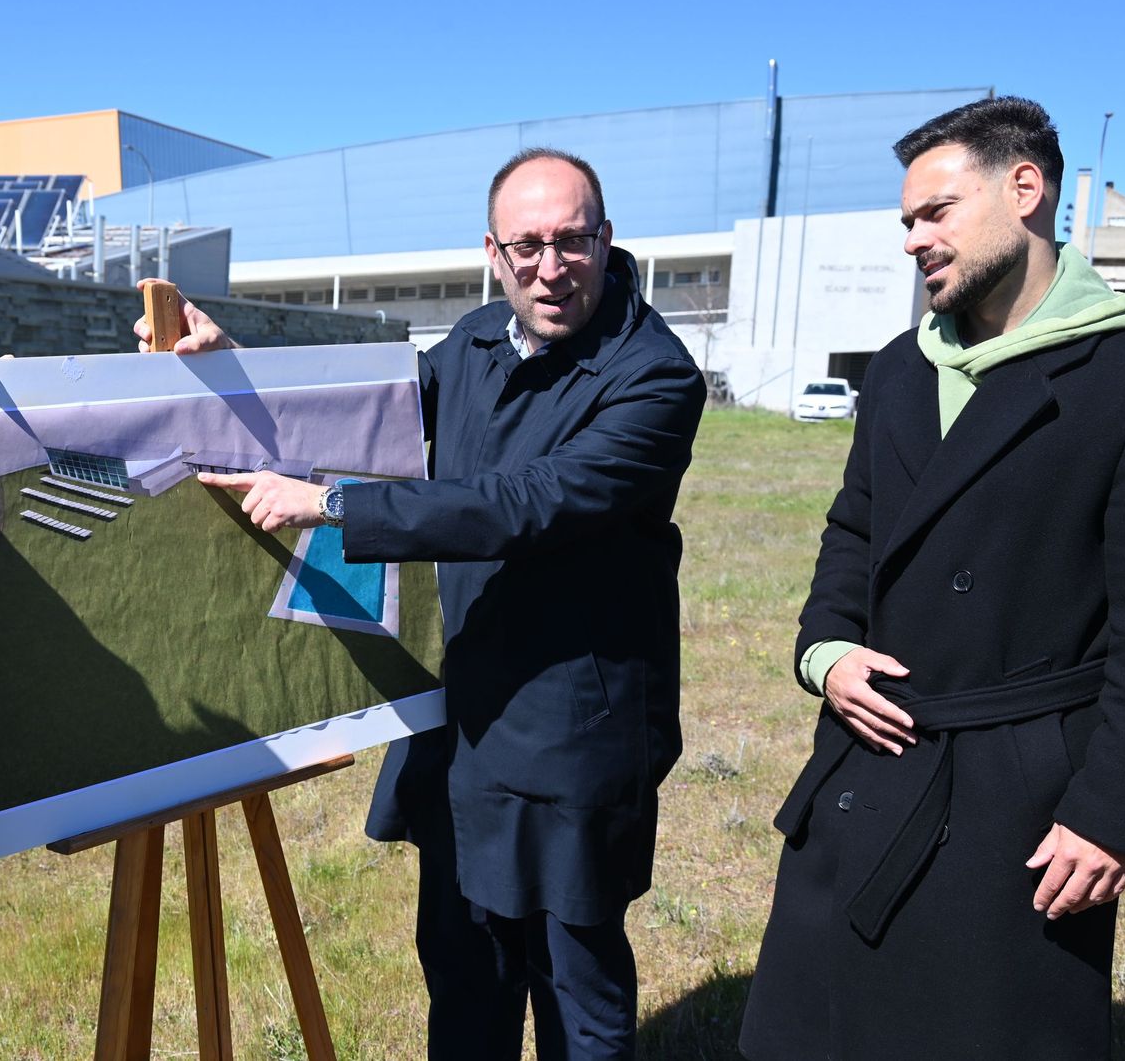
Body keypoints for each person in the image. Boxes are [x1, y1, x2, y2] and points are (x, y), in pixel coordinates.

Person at [136, 149, 706, 1059]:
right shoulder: (478, 337)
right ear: (492, 252)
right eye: (526, 246)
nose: (550, 268)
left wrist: (336, 504)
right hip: (464, 711)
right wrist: (237, 363)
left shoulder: (653, 376)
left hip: (574, 727)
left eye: (571, 242)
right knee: (464, 974)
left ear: (606, 240)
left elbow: (526, 503)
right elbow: (373, 413)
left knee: (575, 992)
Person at [740, 96, 1125, 1060]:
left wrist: (1112, 814)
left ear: (1026, 189)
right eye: (907, 221)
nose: (913, 240)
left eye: (936, 212)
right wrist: (827, 652)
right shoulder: (900, 368)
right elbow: (854, 532)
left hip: (1019, 801)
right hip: (868, 757)